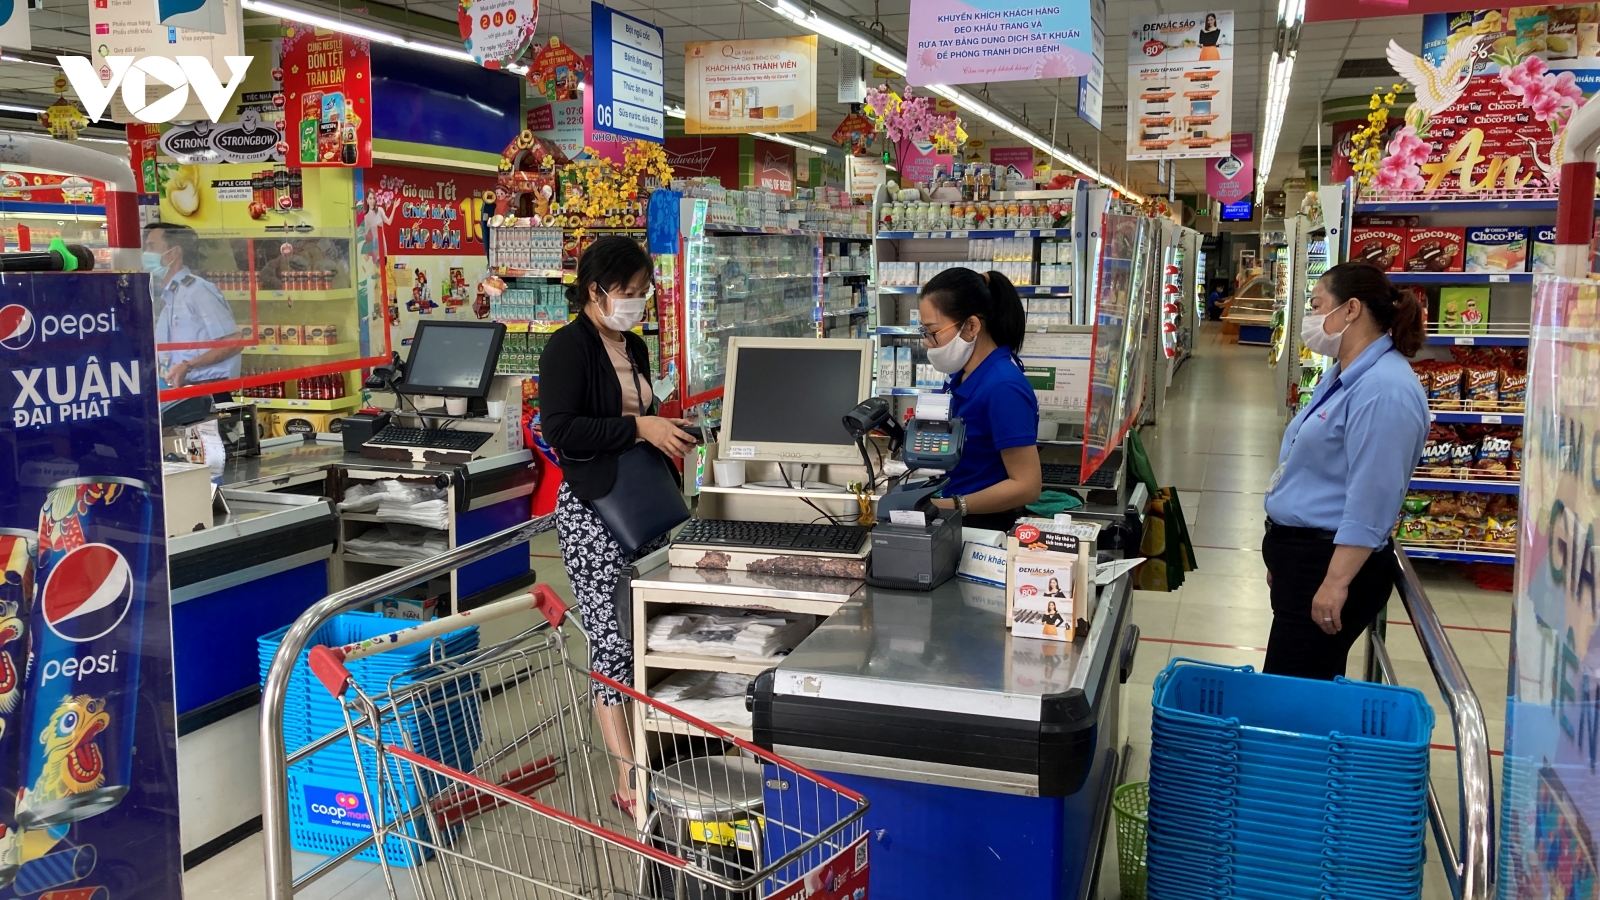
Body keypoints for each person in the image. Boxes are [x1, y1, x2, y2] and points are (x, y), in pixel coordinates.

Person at [538, 235, 694, 815]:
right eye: (627, 291)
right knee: (612, 639)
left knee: (646, 631)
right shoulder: (566, 348)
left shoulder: (634, 346)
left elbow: (637, 415)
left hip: (642, 505)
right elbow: (562, 431)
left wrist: (664, 430)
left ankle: (652, 752)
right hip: (594, 514)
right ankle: (629, 778)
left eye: (642, 291)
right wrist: (639, 429)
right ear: (595, 290)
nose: (636, 302)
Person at [1261, 262, 1428, 680]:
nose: (1311, 317)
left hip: (1329, 565)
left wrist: (1335, 582)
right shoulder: (1346, 374)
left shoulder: (1385, 389)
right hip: (1305, 561)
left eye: (1317, 305)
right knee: (1304, 682)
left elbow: (1373, 498)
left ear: (1351, 309)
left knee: (1288, 693)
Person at [918, 267, 1042, 532]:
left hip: (987, 527)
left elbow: (1027, 486)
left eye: (933, 331)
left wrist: (952, 505)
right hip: (956, 517)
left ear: (971, 326)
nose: (928, 342)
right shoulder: (962, 375)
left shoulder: (1003, 387)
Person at [146, 223, 241, 391]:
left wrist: (189, 365)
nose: (145, 254)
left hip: (208, 388)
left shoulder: (197, 290)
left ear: (174, 252)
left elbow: (234, 342)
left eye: (151, 247)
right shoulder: (171, 294)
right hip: (180, 387)